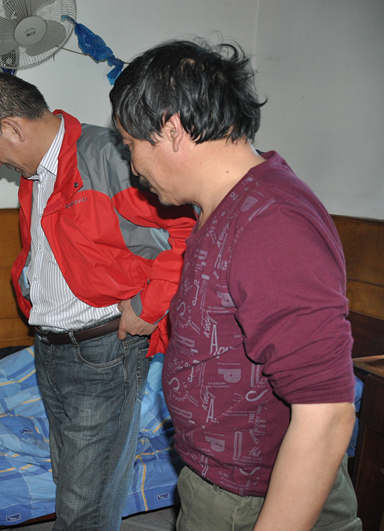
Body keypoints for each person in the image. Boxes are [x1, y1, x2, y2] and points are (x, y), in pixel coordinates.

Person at [110, 40, 361, 531]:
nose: (133, 166)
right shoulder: (225, 208)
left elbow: (326, 416)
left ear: (172, 129)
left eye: (130, 144)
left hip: (258, 500)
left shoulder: (271, 222)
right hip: (224, 484)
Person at [0, 73, 195, 530]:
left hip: (103, 351)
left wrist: (149, 307)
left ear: (12, 128)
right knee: (70, 482)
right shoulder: (36, 172)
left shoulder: (109, 157)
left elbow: (189, 230)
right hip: (51, 348)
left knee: (86, 503)